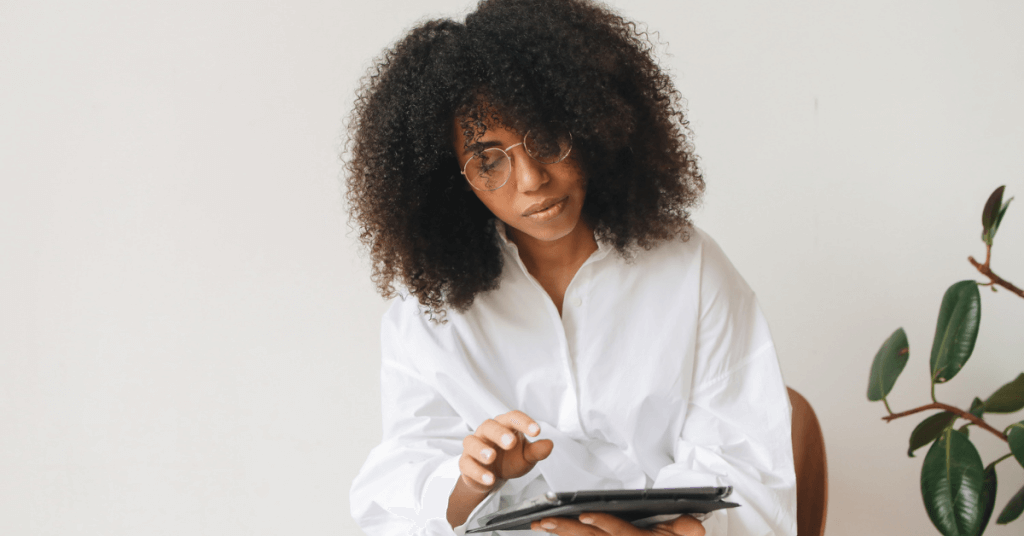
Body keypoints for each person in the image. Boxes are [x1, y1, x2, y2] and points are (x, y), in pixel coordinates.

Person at [345, 0, 797, 534]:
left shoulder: (692, 269)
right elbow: (390, 508)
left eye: (545, 138)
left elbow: (752, 474)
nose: (533, 179)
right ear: (451, 179)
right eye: (489, 160)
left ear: (592, 123)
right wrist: (473, 482)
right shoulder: (429, 312)